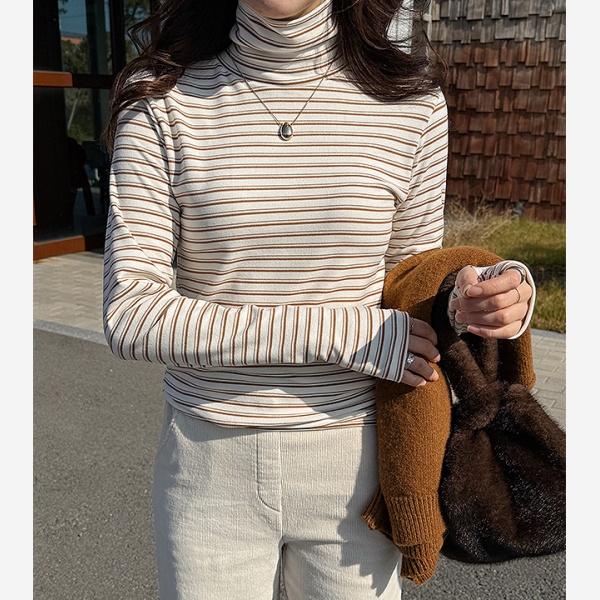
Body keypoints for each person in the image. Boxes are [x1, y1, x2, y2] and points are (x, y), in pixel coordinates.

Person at [101, 1, 535, 598]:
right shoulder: (161, 101)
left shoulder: (409, 104)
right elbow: (131, 315)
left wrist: (483, 295)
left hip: (359, 463)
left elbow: (412, 288)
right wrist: (342, 334)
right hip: (207, 465)